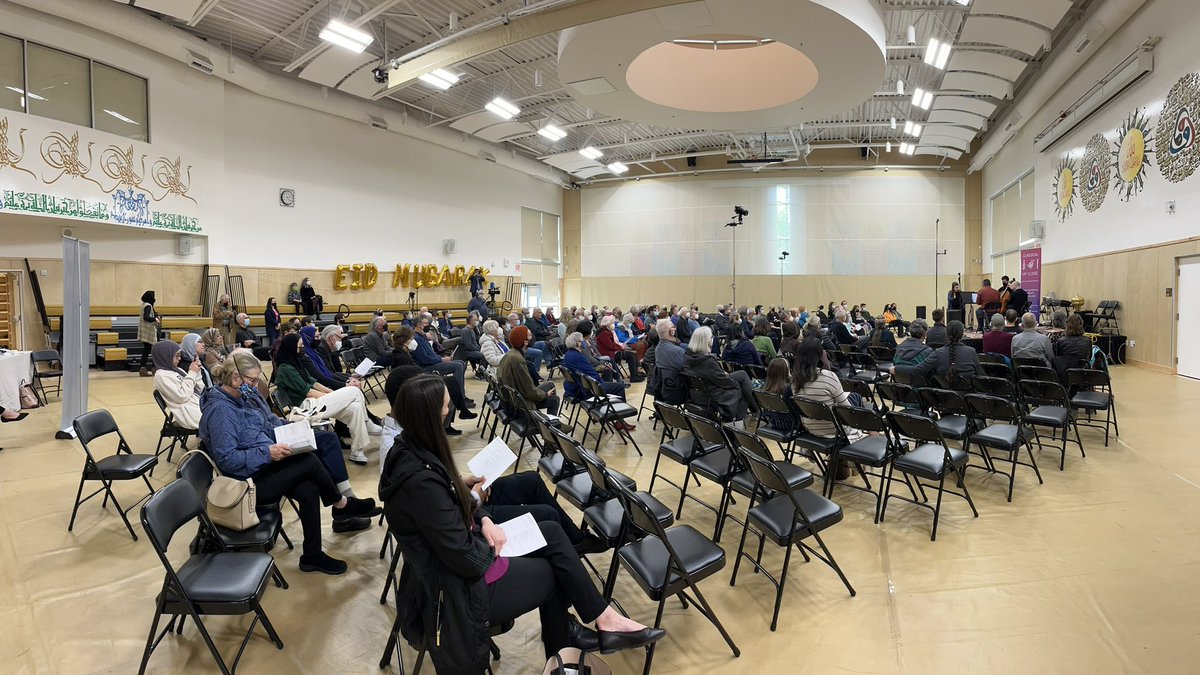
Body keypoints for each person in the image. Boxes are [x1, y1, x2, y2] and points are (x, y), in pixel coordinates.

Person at [379, 376, 665, 670]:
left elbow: (451, 498)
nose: (449, 411)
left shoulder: (414, 449)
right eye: (446, 406)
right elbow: (466, 558)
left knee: (552, 532)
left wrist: (486, 518)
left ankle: (600, 620)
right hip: (458, 589)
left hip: (461, 556)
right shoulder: (420, 481)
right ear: (430, 415)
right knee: (556, 573)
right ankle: (569, 645)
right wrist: (494, 544)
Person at [200, 353, 379, 575]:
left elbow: (265, 424)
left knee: (309, 489)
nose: (256, 386)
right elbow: (228, 460)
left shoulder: (244, 396)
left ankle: (312, 556)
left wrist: (293, 430)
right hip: (246, 484)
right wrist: (267, 452)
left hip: (261, 467)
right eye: (253, 381)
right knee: (308, 460)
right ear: (235, 378)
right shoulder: (221, 412)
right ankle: (342, 504)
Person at [273, 334, 382, 465]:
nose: (302, 348)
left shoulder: (295, 362)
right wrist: (330, 396)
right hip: (304, 407)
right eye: (300, 345)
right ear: (291, 347)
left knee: (356, 408)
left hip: (313, 403)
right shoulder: (285, 368)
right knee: (354, 391)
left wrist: (330, 392)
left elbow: (313, 383)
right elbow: (307, 392)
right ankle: (367, 422)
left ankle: (357, 452)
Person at [792, 338, 865, 442]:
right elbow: (847, 409)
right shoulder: (828, 376)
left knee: (851, 398)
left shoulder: (794, 379)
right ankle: (872, 435)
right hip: (835, 429)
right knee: (854, 398)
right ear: (820, 355)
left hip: (810, 427)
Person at [683, 326, 757, 421]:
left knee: (742, 374)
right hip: (713, 395)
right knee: (743, 389)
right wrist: (735, 384)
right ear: (706, 341)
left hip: (697, 393)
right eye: (711, 338)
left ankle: (754, 410)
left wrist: (723, 374)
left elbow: (715, 376)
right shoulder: (707, 361)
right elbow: (723, 382)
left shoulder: (688, 357)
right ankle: (737, 423)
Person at [562, 332, 631, 423]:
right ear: (578, 343)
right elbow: (592, 375)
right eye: (582, 340)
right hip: (586, 389)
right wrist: (601, 382)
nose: (584, 342)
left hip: (575, 387)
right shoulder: (577, 357)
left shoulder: (568, 354)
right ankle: (620, 421)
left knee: (608, 380)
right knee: (619, 387)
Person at [893, 320, 980, 386]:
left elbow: (917, 370)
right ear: (962, 335)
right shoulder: (971, 351)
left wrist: (896, 368)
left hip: (943, 401)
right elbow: (978, 374)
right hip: (969, 402)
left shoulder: (938, 353)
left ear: (946, 334)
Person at [499, 326, 559, 415]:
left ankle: (547, 420)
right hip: (520, 403)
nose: (533, 337)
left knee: (550, 384)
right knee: (554, 400)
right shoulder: (517, 359)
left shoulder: (511, 353)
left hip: (513, 397)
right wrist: (545, 395)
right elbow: (529, 390)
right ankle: (548, 426)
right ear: (525, 342)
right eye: (530, 335)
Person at [151, 340, 203, 430]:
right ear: (166, 356)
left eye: (180, 355)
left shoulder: (177, 370)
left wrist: (197, 373)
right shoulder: (161, 376)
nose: (179, 358)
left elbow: (199, 390)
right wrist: (192, 373)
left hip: (196, 405)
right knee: (221, 420)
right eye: (177, 356)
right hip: (188, 414)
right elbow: (182, 396)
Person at [596, 315, 642, 382]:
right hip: (609, 353)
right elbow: (610, 346)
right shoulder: (604, 333)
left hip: (614, 350)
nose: (613, 325)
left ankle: (635, 374)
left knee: (633, 354)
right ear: (607, 324)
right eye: (612, 323)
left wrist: (621, 346)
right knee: (631, 355)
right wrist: (620, 347)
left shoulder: (608, 331)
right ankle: (634, 376)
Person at [653, 318, 688, 405]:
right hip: (677, 391)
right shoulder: (678, 351)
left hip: (663, 390)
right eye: (673, 327)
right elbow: (687, 371)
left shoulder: (658, 348)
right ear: (671, 331)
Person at [759, 358, 795, 433]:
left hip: (772, 421)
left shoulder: (765, 388)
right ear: (786, 372)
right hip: (788, 424)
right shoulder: (788, 389)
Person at [138, 290, 161, 377]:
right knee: (155, 350)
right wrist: (155, 319)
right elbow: (146, 317)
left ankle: (142, 368)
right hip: (150, 332)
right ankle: (155, 368)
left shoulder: (143, 305)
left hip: (145, 332)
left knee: (146, 350)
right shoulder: (148, 306)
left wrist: (155, 315)